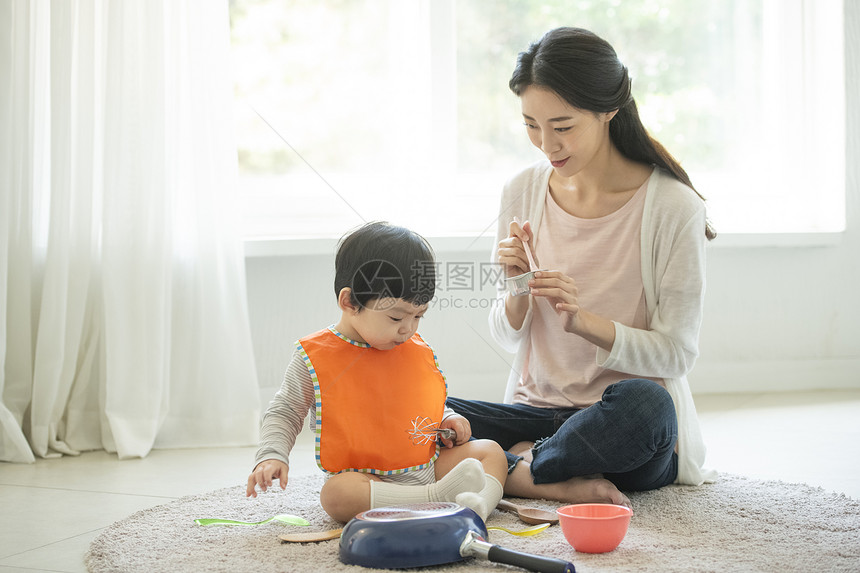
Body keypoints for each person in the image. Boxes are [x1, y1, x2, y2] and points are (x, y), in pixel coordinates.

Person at [446, 27, 717, 506]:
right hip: (532, 412)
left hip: (619, 426)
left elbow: (677, 353)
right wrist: (516, 293)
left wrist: (584, 323)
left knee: (647, 407)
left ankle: (519, 468)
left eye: (563, 126)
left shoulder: (674, 208)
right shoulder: (522, 190)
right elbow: (508, 334)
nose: (546, 144)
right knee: (423, 408)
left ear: (608, 109)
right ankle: (549, 471)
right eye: (531, 124)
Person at [246, 221, 507, 523]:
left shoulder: (410, 346)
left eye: (418, 316)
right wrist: (272, 455)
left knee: (492, 452)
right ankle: (437, 499)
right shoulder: (313, 357)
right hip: (368, 481)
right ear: (350, 302)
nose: (408, 328)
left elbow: (417, 400)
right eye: (396, 316)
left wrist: (446, 416)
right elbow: (285, 411)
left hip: (427, 465)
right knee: (336, 494)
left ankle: (479, 508)